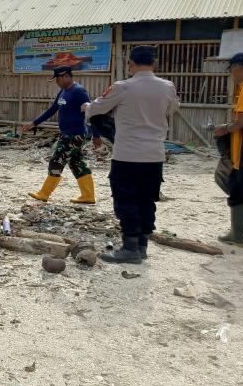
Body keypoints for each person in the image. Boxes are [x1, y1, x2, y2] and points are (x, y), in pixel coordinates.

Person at [83, 45, 179, 262]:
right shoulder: (167, 87)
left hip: (127, 155)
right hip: (154, 155)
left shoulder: (122, 87)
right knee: (147, 199)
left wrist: (88, 107)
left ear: (131, 64)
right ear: (154, 64)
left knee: (126, 199)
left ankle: (130, 248)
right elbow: (172, 109)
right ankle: (142, 246)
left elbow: (95, 109)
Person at [23, 66, 96, 204]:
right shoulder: (63, 91)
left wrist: (96, 135)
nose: (57, 82)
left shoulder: (79, 91)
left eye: (58, 79)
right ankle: (88, 195)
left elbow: (91, 112)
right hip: (67, 133)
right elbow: (53, 109)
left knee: (56, 161)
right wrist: (34, 123)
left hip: (74, 135)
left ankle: (44, 193)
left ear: (66, 76)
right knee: (76, 163)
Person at [213, 52, 243, 247]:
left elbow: (242, 121)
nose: (232, 74)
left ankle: (237, 235)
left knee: (237, 190)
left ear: (238, 67)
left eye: (232, 70)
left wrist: (225, 128)